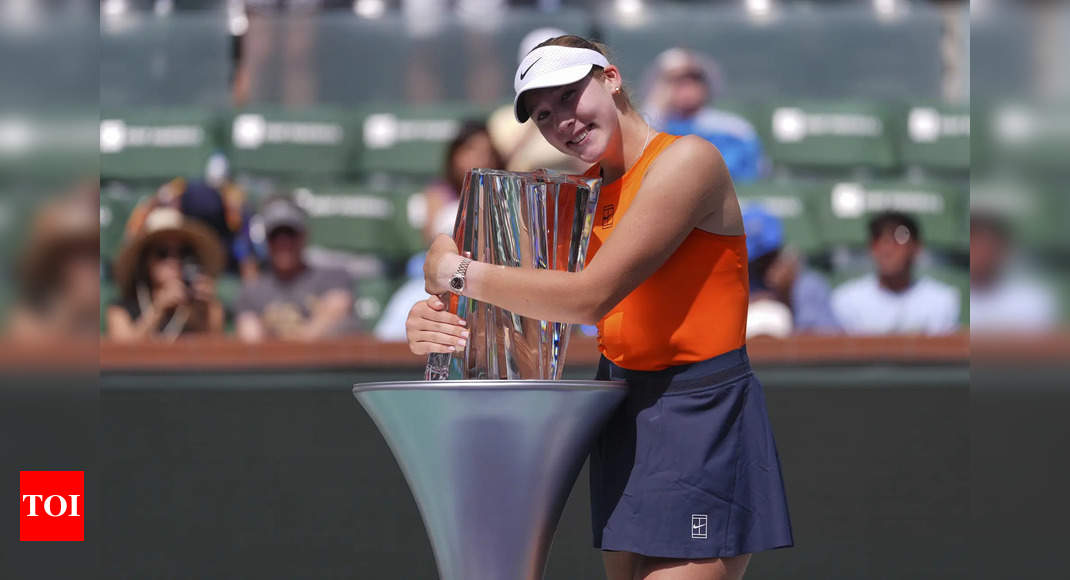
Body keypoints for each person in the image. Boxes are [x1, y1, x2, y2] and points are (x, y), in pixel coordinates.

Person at [405, 35, 792, 580]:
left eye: (568, 95)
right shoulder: (578, 196)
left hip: (701, 412)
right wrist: (435, 316)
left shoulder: (688, 161)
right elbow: (499, 309)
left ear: (610, 77)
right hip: (623, 409)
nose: (560, 119)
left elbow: (590, 295)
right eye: (543, 113)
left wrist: (457, 271)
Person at [235, 196, 354, 342]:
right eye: (275, 235)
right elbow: (250, 339)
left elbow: (338, 308)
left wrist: (298, 340)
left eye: (290, 234)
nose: (283, 242)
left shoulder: (334, 277)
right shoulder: (253, 291)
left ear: (304, 236)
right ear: (266, 240)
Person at [642, 48, 764, 183]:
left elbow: (743, 174)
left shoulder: (733, 129)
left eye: (694, 79)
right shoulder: (651, 127)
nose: (686, 87)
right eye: (676, 81)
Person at [107, 207, 226, 342]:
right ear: (146, 261)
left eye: (183, 252)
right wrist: (158, 310)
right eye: (163, 253)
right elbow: (121, 354)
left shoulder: (203, 306)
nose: (174, 261)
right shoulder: (121, 309)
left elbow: (216, 351)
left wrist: (206, 310)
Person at [831, 211, 960, 335]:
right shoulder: (846, 300)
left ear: (916, 248)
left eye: (899, 239)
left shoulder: (942, 301)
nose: (887, 249)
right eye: (879, 239)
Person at [7, 184, 100, 342]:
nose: (86, 267)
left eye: (92, 254)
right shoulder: (28, 317)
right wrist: (70, 311)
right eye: (73, 253)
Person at [742, 204, 841, 336]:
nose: (763, 264)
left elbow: (827, 342)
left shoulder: (808, 286)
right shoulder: (735, 286)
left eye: (768, 255)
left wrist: (786, 296)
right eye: (758, 259)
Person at [969, 212, 1059, 332]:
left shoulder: (1034, 300)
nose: (983, 255)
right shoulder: (953, 299)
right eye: (976, 245)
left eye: (989, 246)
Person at [420, 120, 505, 243]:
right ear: (455, 154)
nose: (482, 159)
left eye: (488, 152)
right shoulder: (438, 192)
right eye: (472, 150)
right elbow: (430, 238)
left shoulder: (503, 192)